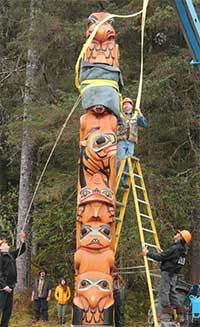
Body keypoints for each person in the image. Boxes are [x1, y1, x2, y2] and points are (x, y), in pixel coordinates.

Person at [141, 229, 192, 323]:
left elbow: (160, 258)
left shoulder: (175, 248)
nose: (176, 234)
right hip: (173, 274)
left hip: (168, 273)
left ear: (180, 237)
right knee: (172, 293)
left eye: (178, 234)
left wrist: (147, 253)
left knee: (163, 292)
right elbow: (173, 259)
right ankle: (181, 315)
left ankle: (165, 316)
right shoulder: (182, 250)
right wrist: (165, 253)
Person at [117, 97, 147, 186]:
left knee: (128, 161)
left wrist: (139, 112)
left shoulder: (135, 116)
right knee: (120, 159)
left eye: (128, 104)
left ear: (131, 106)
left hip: (131, 142)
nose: (127, 106)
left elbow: (144, 124)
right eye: (125, 104)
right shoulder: (120, 116)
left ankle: (123, 180)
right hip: (121, 141)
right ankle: (118, 177)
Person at [0, 231, 26, 327]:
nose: (6, 243)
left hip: (10, 287)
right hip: (2, 288)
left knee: (8, 310)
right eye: (4, 243)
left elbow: (22, 250)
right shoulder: (0, 257)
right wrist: (4, 285)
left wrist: (22, 239)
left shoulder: (11, 255)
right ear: (0, 247)